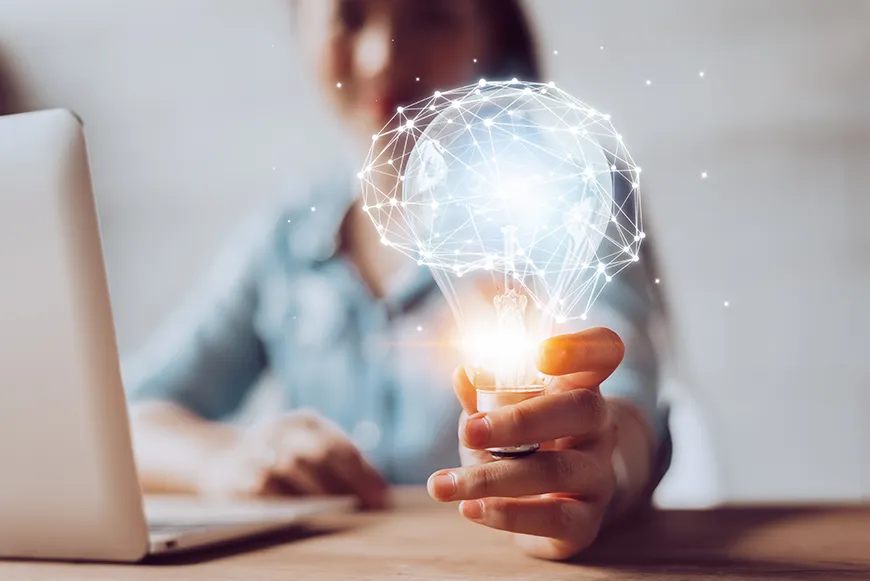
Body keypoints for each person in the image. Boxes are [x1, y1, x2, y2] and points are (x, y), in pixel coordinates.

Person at [124, 0, 671, 560]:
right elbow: (127, 417)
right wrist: (221, 459)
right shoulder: (284, 240)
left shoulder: (565, 194)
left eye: (431, 14)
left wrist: (597, 463)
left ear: (492, 31)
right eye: (350, 17)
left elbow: (624, 406)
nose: (381, 58)